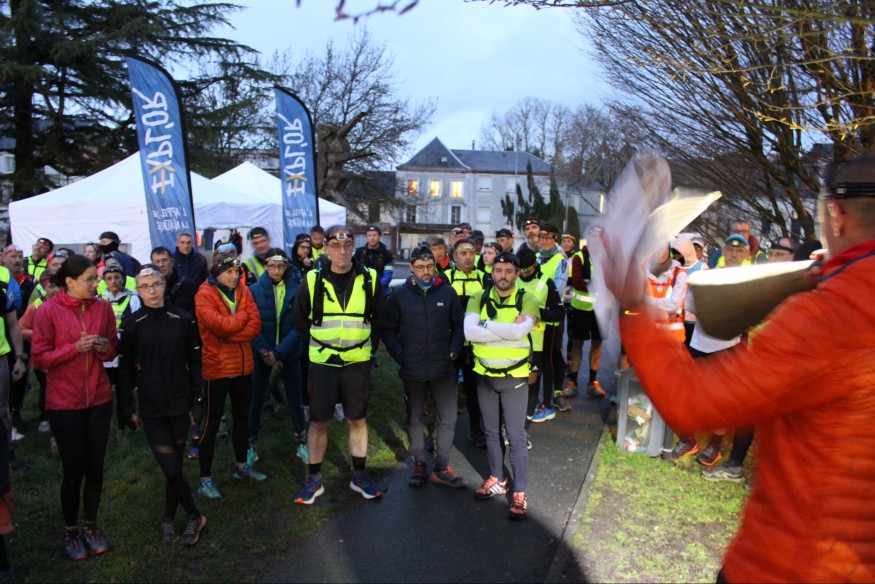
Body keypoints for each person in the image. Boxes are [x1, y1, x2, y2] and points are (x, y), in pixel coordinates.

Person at [605, 152, 875, 582]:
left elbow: (692, 404)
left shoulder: (832, 314)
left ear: (837, 217)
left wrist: (633, 306)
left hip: (789, 565)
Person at [31, 255, 118, 560]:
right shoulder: (48, 311)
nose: (97, 284)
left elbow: (112, 349)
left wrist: (105, 348)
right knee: (73, 470)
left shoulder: (103, 308)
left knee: (95, 467)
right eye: (90, 279)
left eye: (97, 278)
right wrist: (74, 349)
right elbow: (39, 358)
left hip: (99, 399)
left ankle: (91, 526)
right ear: (69, 282)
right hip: (64, 403)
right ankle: (70, 531)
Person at [292, 225, 386, 505]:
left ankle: (359, 476)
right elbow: (299, 319)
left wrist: (367, 348)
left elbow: (379, 319)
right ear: (327, 249)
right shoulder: (312, 279)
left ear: (353, 247)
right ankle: (314, 480)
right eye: (335, 246)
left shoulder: (370, 278)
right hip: (323, 362)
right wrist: (321, 344)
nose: (342, 251)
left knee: (357, 419)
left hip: (358, 361)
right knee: (319, 421)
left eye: (347, 246)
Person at [117, 265, 206, 546]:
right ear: (138, 290)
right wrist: (127, 406)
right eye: (144, 287)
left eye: (156, 284)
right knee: (170, 467)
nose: (152, 291)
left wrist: (198, 401)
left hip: (180, 402)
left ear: (164, 285)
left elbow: (196, 363)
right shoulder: (132, 324)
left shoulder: (183, 319)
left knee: (174, 466)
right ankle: (194, 515)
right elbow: (125, 370)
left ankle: (168, 517)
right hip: (151, 404)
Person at [381, 245, 466, 488]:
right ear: (411, 268)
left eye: (429, 266)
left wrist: (453, 351)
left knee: (448, 417)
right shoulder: (399, 295)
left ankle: (441, 467)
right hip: (413, 367)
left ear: (435, 266)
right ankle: (419, 463)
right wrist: (401, 356)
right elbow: (388, 330)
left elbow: (459, 326)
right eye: (420, 267)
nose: (425, 271)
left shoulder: (447, 292)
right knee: (414, 417)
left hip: (443, 367)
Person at [463, 251, 538, 520]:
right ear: (492, 272)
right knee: (491, 432)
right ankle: (497, 478)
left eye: (508, 271)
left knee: (516, 436)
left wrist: (487, 325)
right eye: (498, 270)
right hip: (485, 376)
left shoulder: (527, 298)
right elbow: (469, 332)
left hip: (514, 378)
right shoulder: (478, 296)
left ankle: (519, 491)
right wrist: (503, 328)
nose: (502, 276)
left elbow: (519, 333)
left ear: (516, 274)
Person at [194, 250, 265, 499]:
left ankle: (241, 465)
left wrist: (232, 332)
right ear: (217, 272)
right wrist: (240, 319)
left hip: (243, 368)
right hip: (217, 368)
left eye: (237, 271)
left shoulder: (244, 291)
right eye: (229, 272)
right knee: (211, 423)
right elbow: (219, 326)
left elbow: (254, 326)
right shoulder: (204, 294)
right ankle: (205, 477)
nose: (235, 276)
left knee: (242, 419)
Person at [247, 248, 308, 464]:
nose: (276, 270)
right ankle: (251, 445)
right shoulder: (253, 290)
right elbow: (251, 325)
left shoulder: (298, 289)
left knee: (295, 399)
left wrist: (279, 352)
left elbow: (300, 326)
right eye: (272, 266)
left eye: (280, 266)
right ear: (265, 266)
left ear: (286, 266)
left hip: (289, 352)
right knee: (256, 399)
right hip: (262, 354)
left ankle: (301, 443)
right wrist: (266, 352)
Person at [515, 248, 562, 441]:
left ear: (535, 265)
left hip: (538, 342)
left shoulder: (546, 282)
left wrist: (537, 313)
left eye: (527, 270)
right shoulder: (513, 279)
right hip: (514, 341)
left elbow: (559, 313)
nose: (523, 274)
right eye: (520, 271)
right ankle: (515, 416)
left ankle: (527, 423)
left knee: (534, 380)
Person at [445, 238, 486, 447]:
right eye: (463, 253)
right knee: (445, 391)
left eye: (471, 252)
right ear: (454, 257)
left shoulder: (484, 278)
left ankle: (476, 431)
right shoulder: (445, 277)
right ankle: (440, 433)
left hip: (475, 345)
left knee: (475, 391)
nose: (468, 257)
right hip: (451, 343)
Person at [99, 264, 141, 446]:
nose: (114, 281)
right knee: (103, 393)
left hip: (124, 352)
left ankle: (122, 429)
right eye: (109, 278)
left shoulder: (133, 298)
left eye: (117, 277)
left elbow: (136, 324)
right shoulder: (99, 299)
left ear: (123, 279)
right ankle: (101, 427)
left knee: (124, 393)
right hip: (105, 353)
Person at [535, 223, 570, 415]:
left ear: (555, 239)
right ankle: (535, 397)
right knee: (537, 359)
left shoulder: (560, 261)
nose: (545, 240)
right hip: (535, 315)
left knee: (551, 357)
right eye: (542, 236)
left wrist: (541, 306)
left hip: (551, 316)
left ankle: (551, 399)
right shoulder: (536, 258)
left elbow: (558, 288)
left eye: (549, 237)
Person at [565, 242, 606, 398]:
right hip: (581, 308)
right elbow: (577, 282)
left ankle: (592, 382)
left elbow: (612, 280)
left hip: (601, 308)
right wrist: (598, 283)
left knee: (597, 344)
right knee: (578, 343)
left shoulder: (607, 257)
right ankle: (573, 382)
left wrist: (589, 281)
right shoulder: (579, 257)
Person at [151, 246, 198, 316]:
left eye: (164, 260)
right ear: (152, 265)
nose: (161, 265)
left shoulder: (186, 285)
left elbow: (183, 315)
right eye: (157, 262)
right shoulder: (151, 288)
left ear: (172, 262)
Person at [353, 226, 394, 298]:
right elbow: (354, 271)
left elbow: (387, 275)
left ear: (379, 237)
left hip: (381, 292)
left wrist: (376, 286)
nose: (372, 238)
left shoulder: (387, 254)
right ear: (366, 237)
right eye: (369, 235)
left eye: (374, 235)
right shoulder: (359, 252)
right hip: (362, 291)